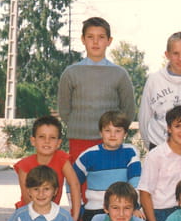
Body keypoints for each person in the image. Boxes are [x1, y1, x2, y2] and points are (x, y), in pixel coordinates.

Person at [57, 17, 135, 163]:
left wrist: (113, 131)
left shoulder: (119, 74)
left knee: (108, 177)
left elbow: (128, 110)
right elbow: (64, 110)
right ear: (83, 39)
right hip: (79, 140)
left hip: (110, 142)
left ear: (109, 41)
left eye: (101, 37)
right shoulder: (71, 73)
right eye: (90, 37)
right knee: (79, 177)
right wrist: (81, 127)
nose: (95, 42)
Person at [74, 110, 142, 221]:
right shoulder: (88, 155)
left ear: (125, 133)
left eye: (118, 131)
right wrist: (78, 206)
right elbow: (72, 182)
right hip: (95, 210)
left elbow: (135, 182)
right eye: (107, 130)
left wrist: (135, 206)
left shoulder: (130, 152)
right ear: (100, 133)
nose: (112, 135)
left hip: (122, 209)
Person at [13, 115, 80, 221]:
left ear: (58, 143)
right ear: (33, 141)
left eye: (52, 137)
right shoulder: (24, 165)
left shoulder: (62, 159)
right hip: (27, 214)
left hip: (52, 214)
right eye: (42, 137)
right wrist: (40, 220)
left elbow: (74, 184)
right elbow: (27, 196)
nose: (47, 141)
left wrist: (75, 215)